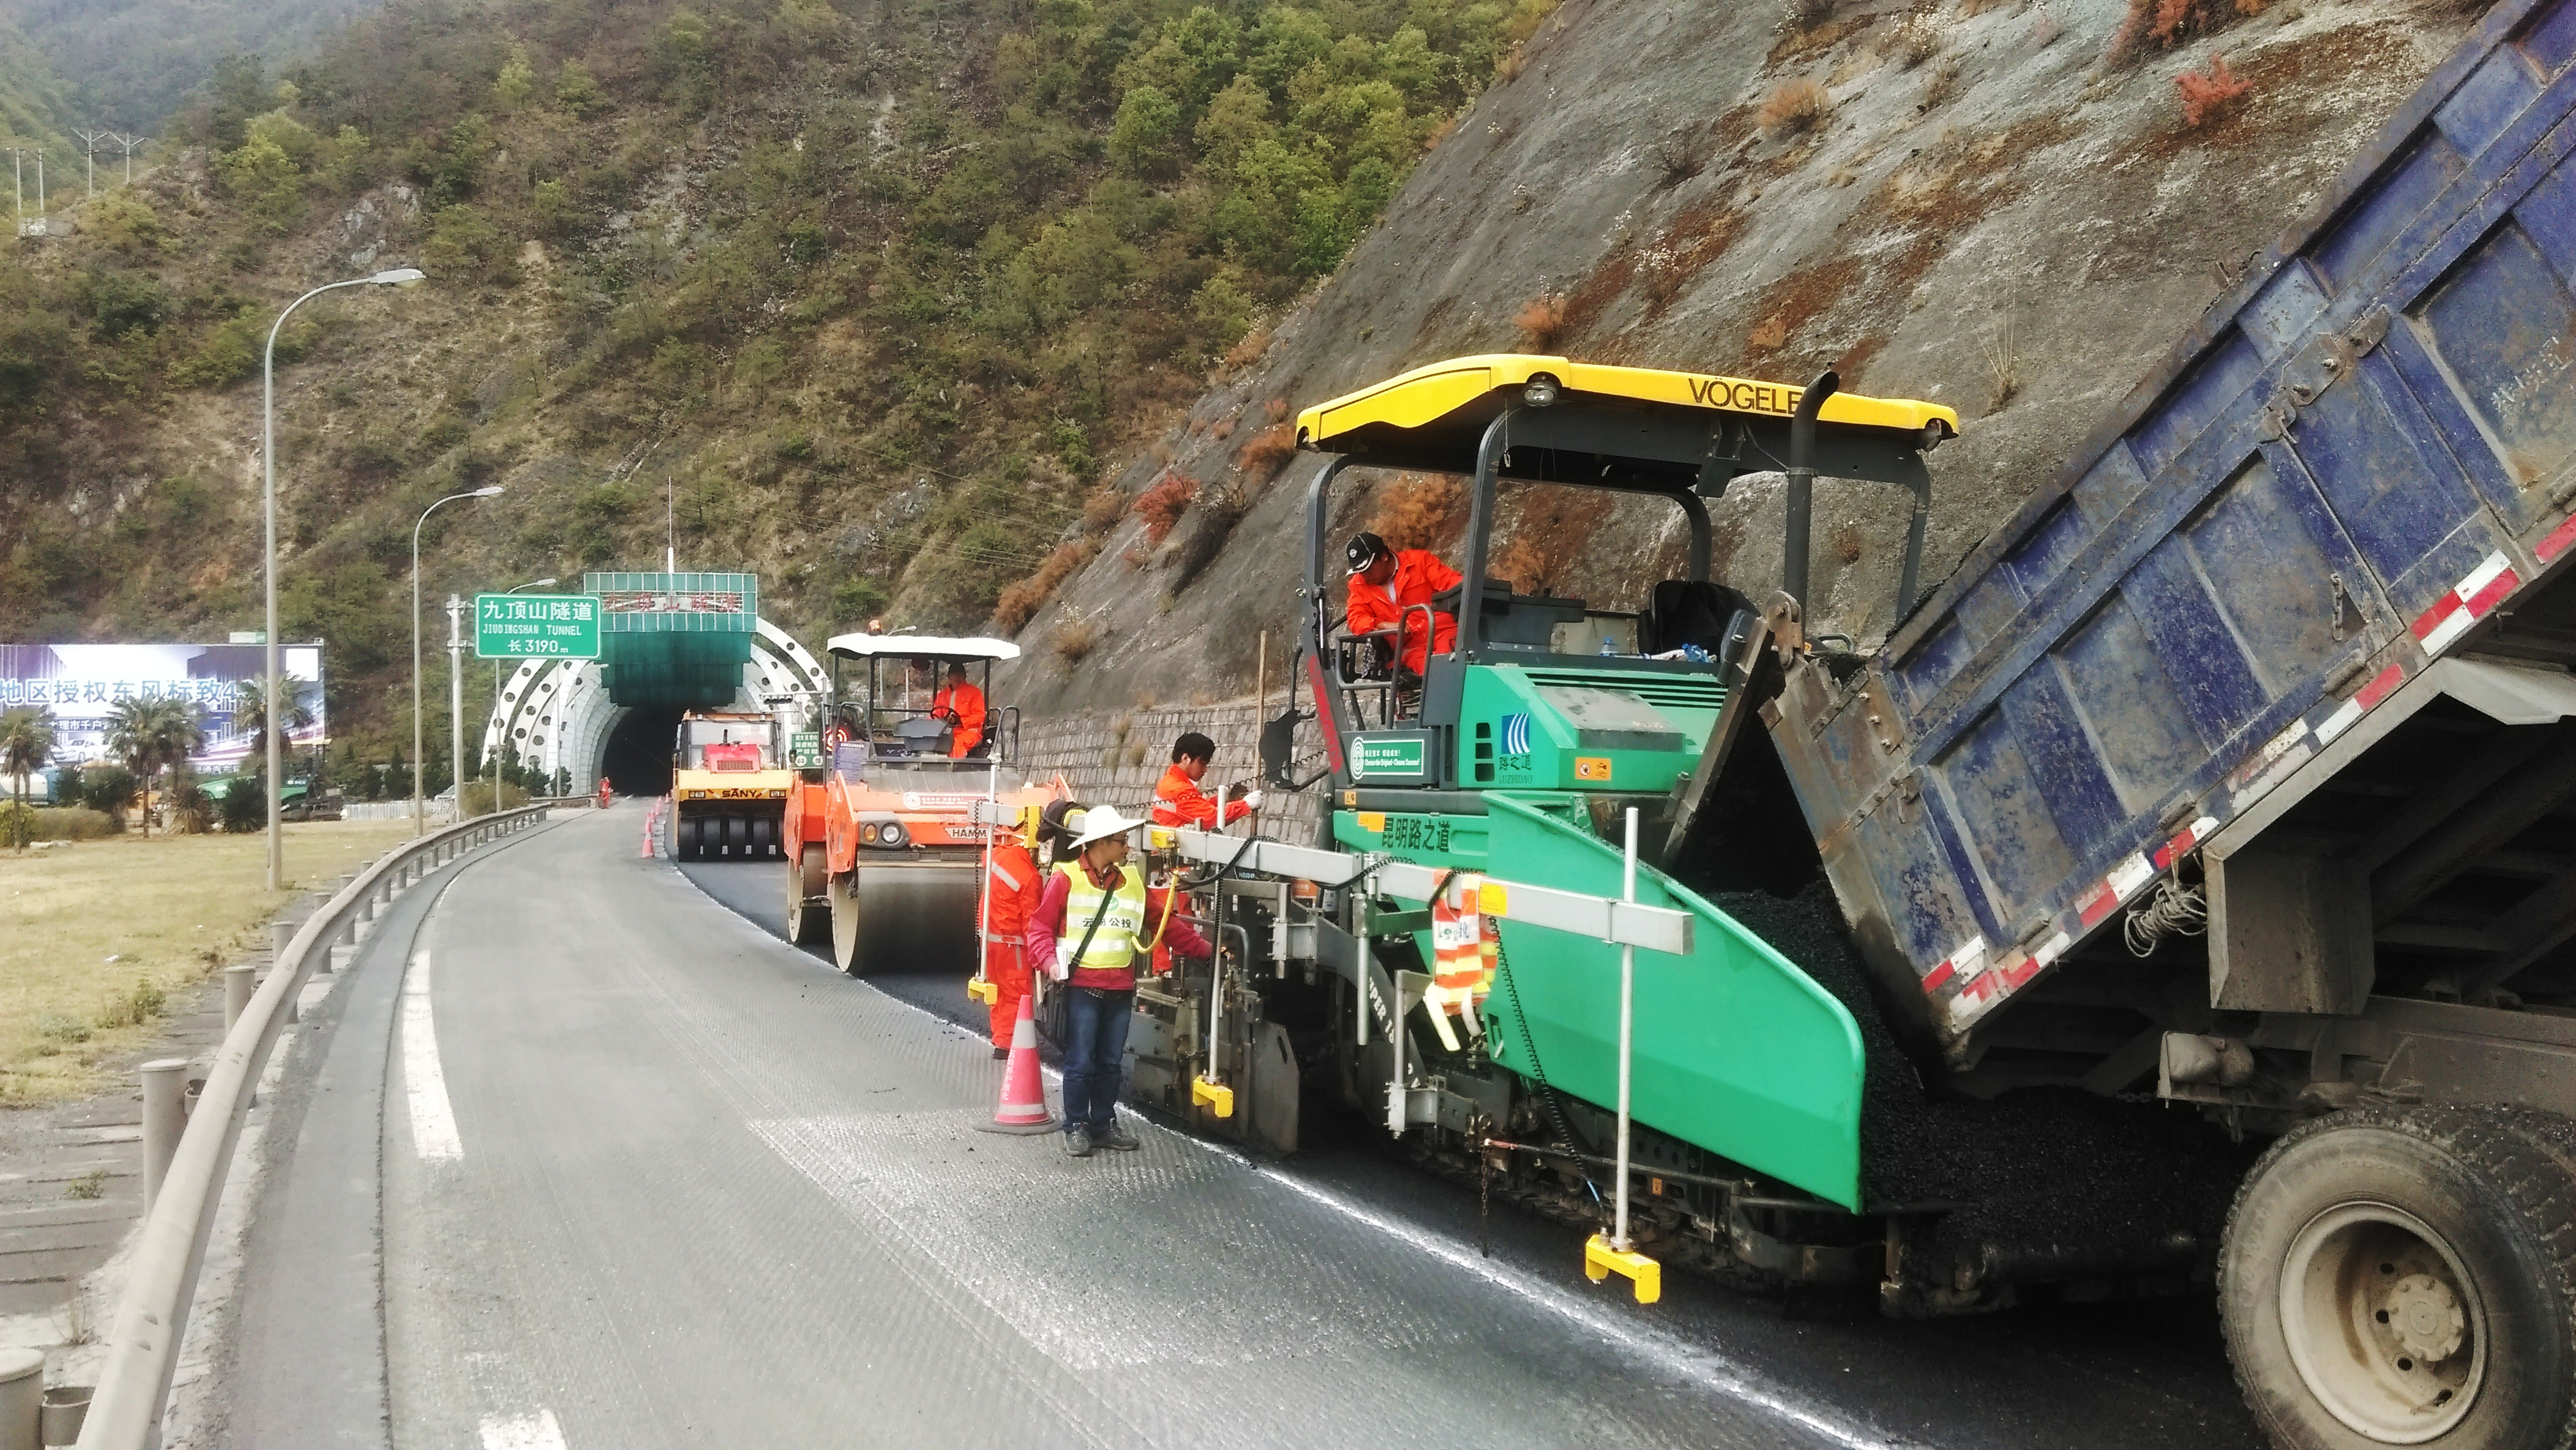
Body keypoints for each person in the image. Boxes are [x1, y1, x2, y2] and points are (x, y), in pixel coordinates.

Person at [1025, 804, 1213, 1157]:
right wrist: (1049, 962)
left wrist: (1207, 951)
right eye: (1122, 841)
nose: (1127, 847)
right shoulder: (1065, 878)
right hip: (1082, 988)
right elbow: (1039, 928)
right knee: (1082, 1061)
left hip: (1120, 990)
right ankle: (1077, 1126)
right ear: (1100, 844)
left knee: (1110, 1063)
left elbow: (1166, 927)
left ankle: (1103, 1125)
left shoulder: (1134, 886)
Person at [1345, 531, 1461, 679]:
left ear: (1384, 556)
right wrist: (1383, 625)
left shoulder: (1420, 561)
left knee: (1449, 663)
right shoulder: (1358, 585)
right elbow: (1356, 620)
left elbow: (1456, 586)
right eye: (1360, 571)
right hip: (1410, 649)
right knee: (1430, 670)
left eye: (1368, 569)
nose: (1365, 576)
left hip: (1443, 633)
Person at [980, 808, 1044, 1057]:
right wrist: (1040, 954)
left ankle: (1000, 1037)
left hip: (990, 938)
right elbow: (1031, 921)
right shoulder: (1029, 877)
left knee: (999, 993)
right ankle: (1009, 1045)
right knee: (1017, 994)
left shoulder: (996, 858)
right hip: (1013, 944)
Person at [1151, 731, 1261, 830]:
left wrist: (1223, 799)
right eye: (1202, 764)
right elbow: (1212, 819)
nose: (1205, 770)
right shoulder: (1179, 789)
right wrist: (1246, 804)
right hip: (1176, 851)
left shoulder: (1170, 782)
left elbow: (1194, 808)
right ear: (1185, 759)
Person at [930, 663, 986, 758]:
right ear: (949, 677)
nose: (957, 678)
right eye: (954, 674)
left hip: (969, 731)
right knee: (929, 742)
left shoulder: (974, 693)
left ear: (965, 676)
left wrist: (961, 721)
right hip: (946, 731)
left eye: (960, 674)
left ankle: (954, 769)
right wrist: (942, 720)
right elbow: (935, 714)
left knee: (957, 744)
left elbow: (979, 716)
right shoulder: (942, 695)